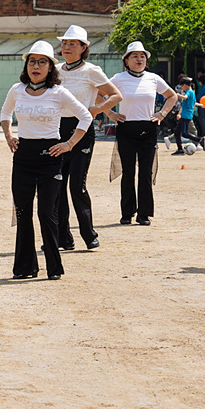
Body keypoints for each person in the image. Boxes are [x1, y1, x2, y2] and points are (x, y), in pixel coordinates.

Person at [1, 41, 93, 280]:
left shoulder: (58, 92)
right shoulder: (16, 89)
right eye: (32, 61)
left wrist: (69, 144)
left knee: (46, 212)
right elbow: (4, 113)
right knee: (23, 213)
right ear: (26, 65)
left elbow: (85, 116)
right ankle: (24, 267)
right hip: (23, 157)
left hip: (50, 158)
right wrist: (9, 136)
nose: (36, 66)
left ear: (51, 67)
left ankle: (54, 267)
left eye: (42, 62)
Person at [54, 25, 122, 251]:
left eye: (73, 44)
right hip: (55, 129)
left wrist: (98, 109)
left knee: (76, 186)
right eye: (64, 43)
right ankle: (63, 238)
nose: (67, 47)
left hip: (81, 129)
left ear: (84, 48)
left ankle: (88, 234)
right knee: (56, 185)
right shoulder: (54, 70)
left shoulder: (91, 71)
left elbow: (115, 95)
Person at [108, 42, 178, 226]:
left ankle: (144, 214)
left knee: (146, 172)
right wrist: (111, 113)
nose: (139, 59)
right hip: (126, 129)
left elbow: (172, 96)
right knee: (128, 172)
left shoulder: (153, 78)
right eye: (134, 56)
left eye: (142, 56)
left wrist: (161, 114)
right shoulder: (118, 78)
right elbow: (100, 94)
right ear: (126, 60)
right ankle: (127, 212)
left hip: (148, 129)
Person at [171, 75, 205, 155]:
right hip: (185, 115)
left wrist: (179, 95)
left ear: (185, 85)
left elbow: (186, 97)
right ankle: (180, 149)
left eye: (182, 87)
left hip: (186, 115)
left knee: (185, 133)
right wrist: (201, 105)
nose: (182, 88)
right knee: (177, 132)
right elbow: (194, 103)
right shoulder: (193, 93)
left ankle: (200, 140)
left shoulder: (188, 92)